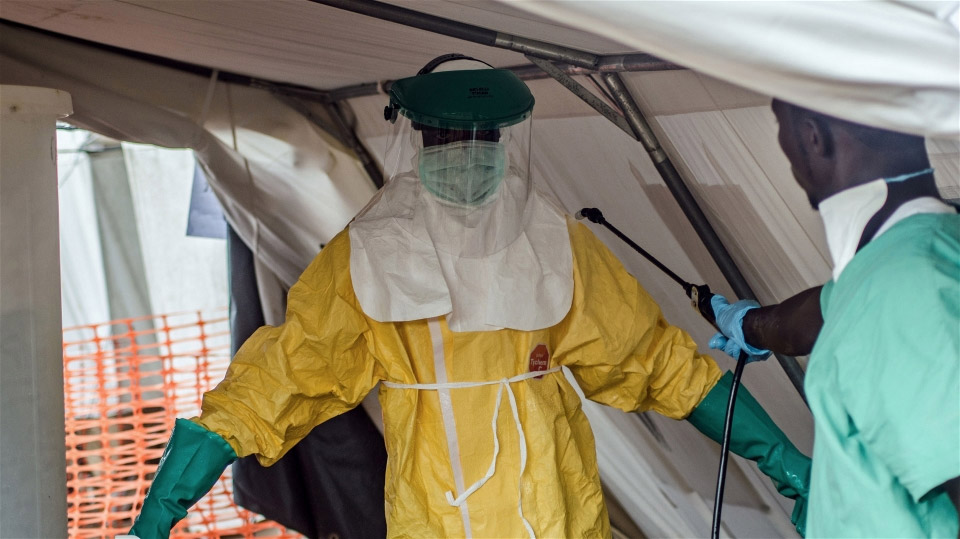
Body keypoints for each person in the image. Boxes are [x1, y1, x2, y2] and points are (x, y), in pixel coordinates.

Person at [129, 55, 810, 539]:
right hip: (439, 518)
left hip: (557, 517)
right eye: (452, 136)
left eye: (483, 138)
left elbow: (657, 362)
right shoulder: (367, 255)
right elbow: (278, 379)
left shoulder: (556, 242)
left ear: (506, 138)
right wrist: (163, 507)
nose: (468, 151)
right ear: (420, 136)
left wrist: (784, 461)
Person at [708, 99, 960, 537]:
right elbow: (814, 318)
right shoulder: (909, 256)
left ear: (813, 136)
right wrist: (747, 325)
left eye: (779, 123)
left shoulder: (907, 285)